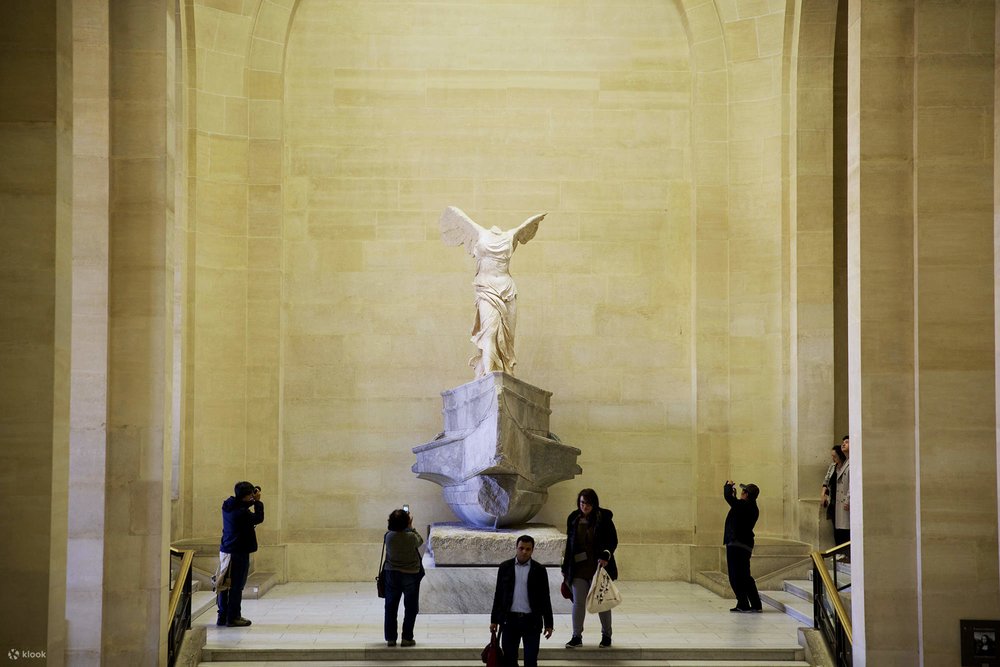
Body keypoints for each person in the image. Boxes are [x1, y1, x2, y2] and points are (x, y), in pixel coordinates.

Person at [439, 206, 546, 377]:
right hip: (486, 287)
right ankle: (489, 377)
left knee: (508, 337)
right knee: (489, 331)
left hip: (507, 288)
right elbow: (453, 214)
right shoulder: (479, 232)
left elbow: (526, 228)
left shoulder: (511, 235)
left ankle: (505, 373)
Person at [561, 488, 618, 648]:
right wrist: (565, 568)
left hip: (599, 567)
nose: (584, 506)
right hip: (578, 568)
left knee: (602, 602)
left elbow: (612, 540)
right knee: (578, 603)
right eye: (582, 503)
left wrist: (606, 555)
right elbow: (569, 545)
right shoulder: (573, 518)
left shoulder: (603, 518)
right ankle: (576, 636)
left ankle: (606, 635)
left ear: (594, 504)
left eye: (588, 503)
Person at [490, 535, 554, 667]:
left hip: (531, 621)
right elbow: (498, 595)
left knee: (531, 660)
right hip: (509, 621)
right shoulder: (505, 567)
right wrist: (494, 620)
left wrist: (549, 623)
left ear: (532, 550)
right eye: (521, 548)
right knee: (509, 659)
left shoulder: (539, 570)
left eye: (528, 549)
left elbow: (545, 598)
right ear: (516, 548)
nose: (524, 551)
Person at [216, 480, 264, 627]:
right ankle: (234, 617)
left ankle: (222, 616)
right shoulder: (242, 514)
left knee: (224, 584)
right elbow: (258, 518)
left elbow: (240, 505)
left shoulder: (228, 505)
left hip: (226, 550)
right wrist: (258, 502)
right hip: (238, 552)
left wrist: (251, 500)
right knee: (237, 586)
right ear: (247, 495)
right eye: (250, 495)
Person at [382, 508, 424, 647]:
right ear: (406, 522)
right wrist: (411, 527)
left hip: (392, 574)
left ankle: (391, 638)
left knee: (390, 607)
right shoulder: (411, 537)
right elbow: (420, 541)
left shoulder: (388, 536)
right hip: (411, 574)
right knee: (411, 607)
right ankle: (407, 638)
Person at [723, 480, 761, 613]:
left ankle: (743, 603)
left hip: (736, 544)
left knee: (735, 576)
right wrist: (734, 497)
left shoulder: (744, 506)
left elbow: (729, 498)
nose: (741, 493)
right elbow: (735, 504)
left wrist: (727, 487)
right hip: (744, 545)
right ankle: (755, 603)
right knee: (744, 576)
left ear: (746, 494)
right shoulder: (752, 507)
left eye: (743, 491)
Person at [820, 443, 847, 531]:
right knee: (835, 527)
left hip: (842, 498)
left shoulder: (846, 466)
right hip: (833, 500)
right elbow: (826, 480)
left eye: (835, 456)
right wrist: (823, 494)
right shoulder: (832, 466)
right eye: (832, 456)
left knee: (844, 527)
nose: (833, 459)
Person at [833, 436, 850, 547]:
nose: (843, 444)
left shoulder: (852, 462)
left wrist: (848, 500)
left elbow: (852, 484)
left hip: (846, 501)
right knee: (841, 530)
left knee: (846, 530)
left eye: (847, 442)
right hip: (840, 502)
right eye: (843, 442)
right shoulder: (844, 463)